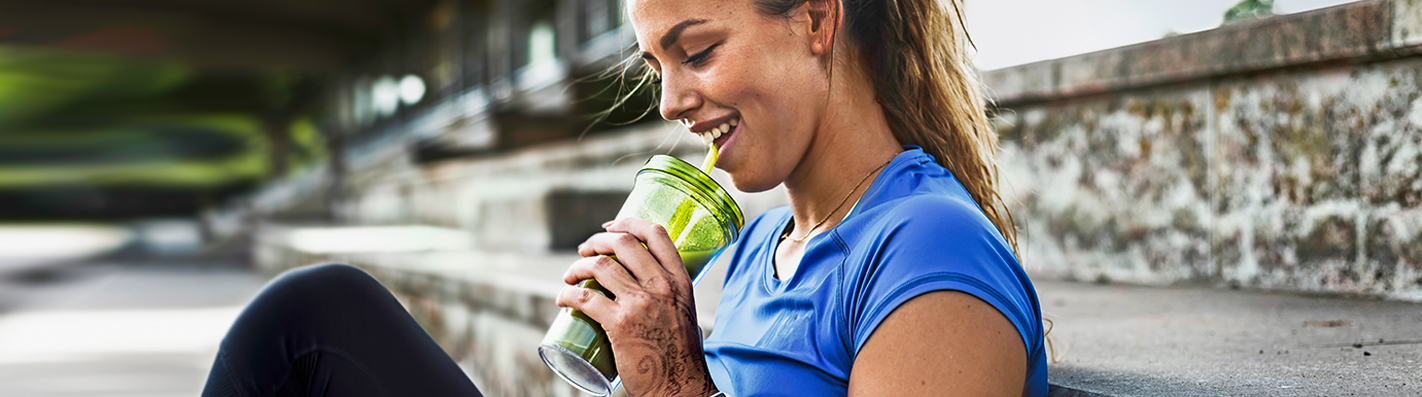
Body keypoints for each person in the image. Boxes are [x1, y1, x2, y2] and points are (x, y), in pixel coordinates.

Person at [201, 0, 1047, 395]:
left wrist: (676, 383)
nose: (673, 102)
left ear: (817, 20)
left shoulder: (931, 251)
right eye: (656, 67)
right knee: (316, 316)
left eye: (699, 50)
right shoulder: (759, 244)